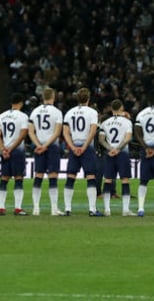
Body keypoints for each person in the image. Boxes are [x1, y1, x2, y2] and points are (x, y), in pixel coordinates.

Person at [62, 87, 100, 216]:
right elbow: (93, 130)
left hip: (74, 146)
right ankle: (92, 209)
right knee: (91, 177)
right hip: (87, 147)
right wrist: (84, 146)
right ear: (88, 98)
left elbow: (65, 132)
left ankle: (67, 209)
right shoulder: (92, 112)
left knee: (71, 177)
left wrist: (72, 147)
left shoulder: (69, 112)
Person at [28, 87, 65, 216]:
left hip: (38, 146)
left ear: (43, 97)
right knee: (53, 176)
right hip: (52, 146)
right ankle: (54, 209)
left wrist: (39, 144)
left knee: (38, 175)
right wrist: (47, 145)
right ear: (53, 97)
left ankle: (36, 208)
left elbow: (30, 131)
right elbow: (57, 132)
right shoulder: (57, 112)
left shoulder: (34, 112)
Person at [0, 93, 30, 216]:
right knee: (18, 178)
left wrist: (3, 149)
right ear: (20, 103)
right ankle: (17, 208)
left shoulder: (2, 116)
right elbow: (23, 134)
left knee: (4, 178)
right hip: (17, 151)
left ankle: (1, 208)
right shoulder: (23, 116)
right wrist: (11, 149)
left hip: (5, 150)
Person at [98, 99, 134, 216]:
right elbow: (127, 138)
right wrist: (118, 149)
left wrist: (110, 149)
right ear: (121, 108)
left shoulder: (105, 123)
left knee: (108, 180)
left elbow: (101, 139)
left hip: (109, 153)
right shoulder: (127, 122)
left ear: (111, 109)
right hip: (122, 152)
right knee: (125, 180)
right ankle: (125, 210)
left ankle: (107, 210)